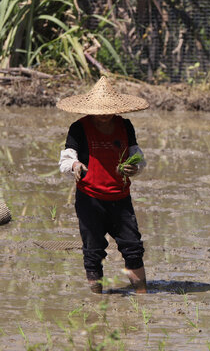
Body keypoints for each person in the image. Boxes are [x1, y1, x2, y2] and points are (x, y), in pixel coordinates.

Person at [57, 76, 149, 294]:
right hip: (90, 200)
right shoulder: (79, 128)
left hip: (120, 199)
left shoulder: (125, 126)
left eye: (109, 111)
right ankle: (97, 299)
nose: (105, 116)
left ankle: (143, 296)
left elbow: (138, 156)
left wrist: (135, 168)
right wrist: (75, 166)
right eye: (100, 111)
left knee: (133, 247)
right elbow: (66, 159)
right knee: (93, 251)